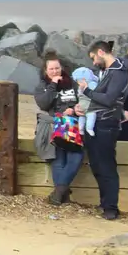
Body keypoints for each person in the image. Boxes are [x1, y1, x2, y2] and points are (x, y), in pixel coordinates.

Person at [80, 40, 128, 220]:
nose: (94, 63)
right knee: (96, 165)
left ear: (101, 52)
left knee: (107, 166)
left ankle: (111, 207)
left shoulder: (119, 72)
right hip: (95, 123)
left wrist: (87, 92)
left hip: (107, 124)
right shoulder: (107, 72)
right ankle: (104, 203)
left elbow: (109, 99)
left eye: (94, 58)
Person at [33, 52, 85, 206]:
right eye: (51, 69)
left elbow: (82, 100)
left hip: (74, 125)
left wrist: (74, 109)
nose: (55, 71)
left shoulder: (72, 83)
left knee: (76, 156)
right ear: (45, 71)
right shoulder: (42, 87)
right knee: (59, 159)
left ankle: (59, 192)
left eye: (57, 68)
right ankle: (62, 194)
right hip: (55, 126)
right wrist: (53, 84)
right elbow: (43, 104)